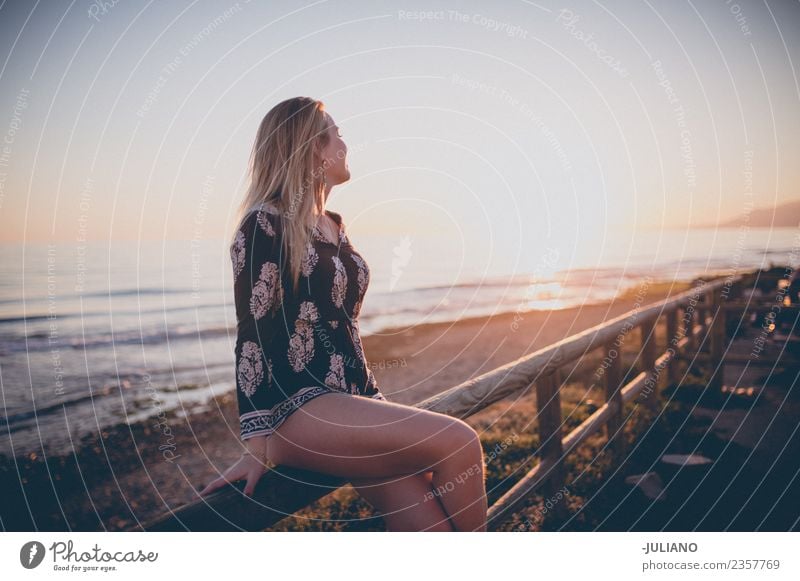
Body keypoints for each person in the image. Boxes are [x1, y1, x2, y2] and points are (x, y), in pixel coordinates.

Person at [198, 97, 488, 532]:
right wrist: (255, 447)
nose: (345, 143)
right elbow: (254, 333)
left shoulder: (333, 224)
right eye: (337, 133)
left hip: (355, 399)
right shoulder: (263, 224)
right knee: (459, 443)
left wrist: (370, 404)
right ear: (313, 147)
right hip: (297, 408)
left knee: (432, 530)